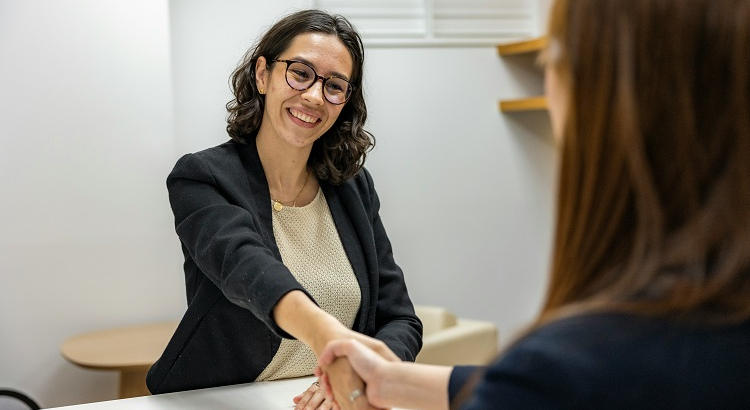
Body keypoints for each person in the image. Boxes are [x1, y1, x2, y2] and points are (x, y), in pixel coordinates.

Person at [317, 0, 750, 408]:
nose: (315, 96)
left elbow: (549, 384)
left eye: (553, 61)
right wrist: (394, 380)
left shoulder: (573, 364)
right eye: (300, 74)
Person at [145, 10, 422, 410]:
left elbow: (401, 321)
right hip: (221, 400)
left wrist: (362, 372)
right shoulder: (203, 177)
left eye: (334, 86)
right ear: (263, 75)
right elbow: (248, 269)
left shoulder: (353, 188)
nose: (313, 96)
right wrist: (330, 339)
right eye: (300, 73)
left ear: (345, 102)